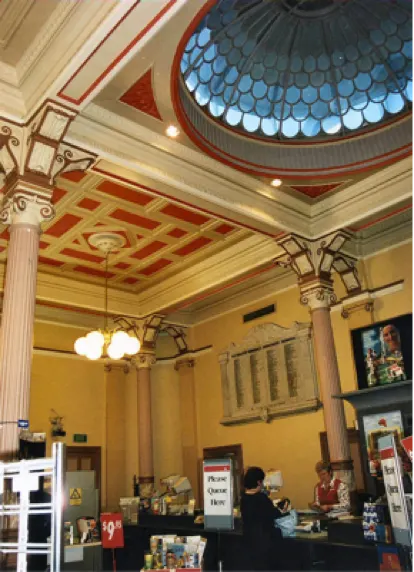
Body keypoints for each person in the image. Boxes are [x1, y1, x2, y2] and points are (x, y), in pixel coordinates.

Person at [240, 466, 288, 572]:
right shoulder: (261, 498)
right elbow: (273, 514)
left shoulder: (244, 498)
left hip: (250, 541)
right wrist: (282, 510)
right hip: (265, 543)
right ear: (258, 482)